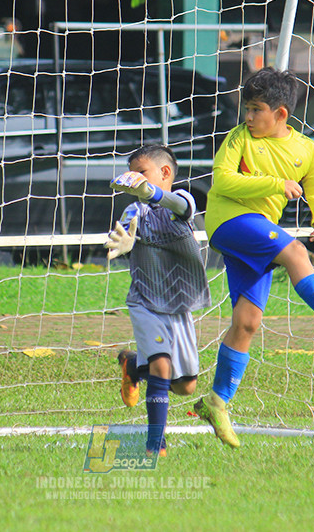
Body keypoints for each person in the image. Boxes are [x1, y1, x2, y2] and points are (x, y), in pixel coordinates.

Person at [194, 67, 314, 448]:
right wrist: (276, 184)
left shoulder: (305, 150)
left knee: (247, 323)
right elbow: (222, 180)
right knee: (295, 252)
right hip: (229, 220)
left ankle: (216, 402)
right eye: (246, 109)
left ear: (281, 114)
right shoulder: (239, 139)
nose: (248, 118)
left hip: (256, 231)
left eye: (255, 110)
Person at [105, 144, 211, 457]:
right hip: (145, 302)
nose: (133, 179)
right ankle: (155, 444)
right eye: (131, 173)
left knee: (186, 386)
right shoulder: (134, 210)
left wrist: (150, 192)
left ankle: (134, 364)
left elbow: (176, 205)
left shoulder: (183, 200)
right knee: (163, 368)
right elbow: (120, 233)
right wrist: (124, 241)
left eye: (141, 172)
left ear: (165, 173)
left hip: (179, 305)